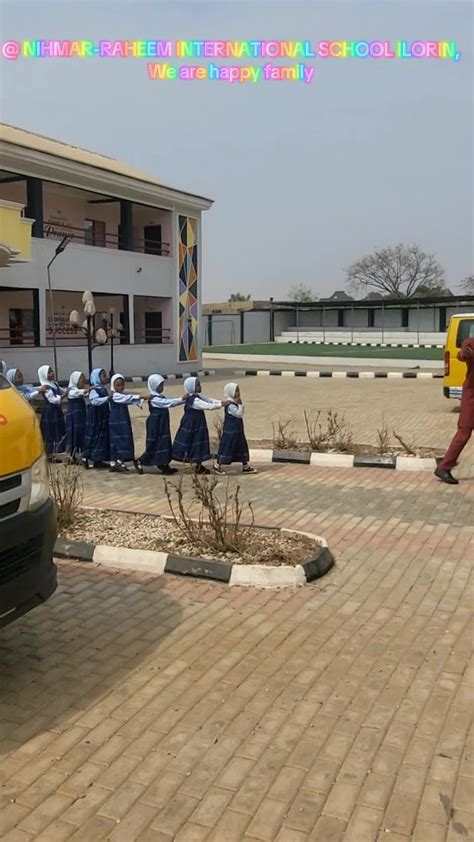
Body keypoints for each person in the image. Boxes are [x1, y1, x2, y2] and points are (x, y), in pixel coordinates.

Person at [172, 376, 231, 474]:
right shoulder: (193, 400)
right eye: (197, 385)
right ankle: (193, 462)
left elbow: (209, 400)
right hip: (191, 424)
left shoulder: (197, 397)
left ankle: (198, 464)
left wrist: (220, 402)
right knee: (192, 441)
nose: (200, 386)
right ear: (191, 387)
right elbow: (207, 405)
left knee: (198, 441)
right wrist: (221, 404)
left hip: (198, 423)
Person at [435, 337, 474, 484]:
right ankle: (444, 467)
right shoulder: (471, 343)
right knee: (464, 433)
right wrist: (465, 353)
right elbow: (462, 355)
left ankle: (446, 461)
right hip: (471, 397)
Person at [137, 374, 184, 475]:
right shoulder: (154, 398)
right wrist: (181, 399)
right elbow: (167, 403)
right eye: (160, 385)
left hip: (162, 423)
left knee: (164, 442)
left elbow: (170, 401)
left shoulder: (160, 396)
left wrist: (183, 400)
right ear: (154, 385)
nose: (162, 387)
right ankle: (140, 461)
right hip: (155, 424)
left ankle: (163, 464)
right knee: (154, 444)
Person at [214, 382, 257, 475]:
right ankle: (217, 465)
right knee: (227, 446)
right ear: (230, 392)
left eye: (238, 390)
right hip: (231, 431)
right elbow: (239, 414)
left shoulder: (233, 402)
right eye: (236, 391)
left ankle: (245, 466)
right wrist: (241, 405)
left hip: (237, 430)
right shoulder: (231, 405)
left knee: (241, 446)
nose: (238, 393)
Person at [109, 373, 143, 473]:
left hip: (123, 419)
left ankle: (117, 461)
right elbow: (127, 399)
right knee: (117, 439)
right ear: (113, 385)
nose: (120, 387)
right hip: (116, 420)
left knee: (123, 438)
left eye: (122, 385)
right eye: (118, 385)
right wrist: (141, 396)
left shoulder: (120, 395)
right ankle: (117, 461)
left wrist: (138, 400)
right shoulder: (115, 395)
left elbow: (128, 399)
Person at [37, 365, 69, 456]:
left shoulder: (54, 384)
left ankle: (59, 450)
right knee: (52, 431)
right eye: (49, 372)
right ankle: (52, 452)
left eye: (52, 371)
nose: (52, 373)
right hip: (50, 413)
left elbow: (63, 390)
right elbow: (53, 400)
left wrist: (69, 390)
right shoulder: (46, 387)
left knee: (58, 430)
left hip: (56, 412)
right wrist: (64, 395)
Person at [83, 368, 111, 468]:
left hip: (103, 415)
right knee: (94, 434)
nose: (105, 378)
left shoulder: (103, 389)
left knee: (102, 436)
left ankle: (98, 459)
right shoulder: (93, 390)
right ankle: (86, 456)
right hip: (96, 416)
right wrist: (107, 399)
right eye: (103, 376)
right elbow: (94, 401)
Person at [60, 371, 90, 460]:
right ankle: (73, 453)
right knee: (74, 433)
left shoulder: (79, 391)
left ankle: (79, 452)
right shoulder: (71, 391)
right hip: (74, 417)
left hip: (81, 416)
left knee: (81, 432)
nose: (84, 383)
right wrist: (86, 390)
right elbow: (78, 392)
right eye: (82, 381)